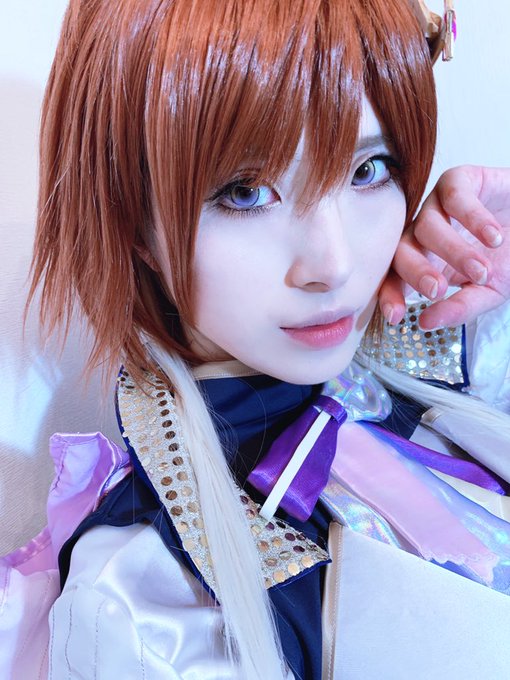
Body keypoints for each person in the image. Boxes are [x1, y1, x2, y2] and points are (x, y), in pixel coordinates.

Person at [2, 1, 510, 678]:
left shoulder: (452, 348)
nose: (333, 264)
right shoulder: (153, 611)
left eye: (368, 169)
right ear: (131, 215)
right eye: (245, 192)